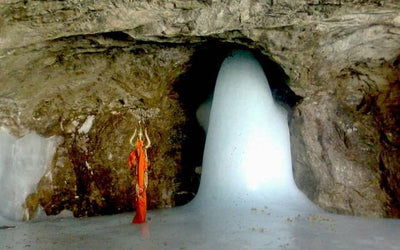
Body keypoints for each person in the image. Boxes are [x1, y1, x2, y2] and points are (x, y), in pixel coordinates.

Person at [128, 124, 151, 223]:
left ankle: (142, 216)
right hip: (139, 173)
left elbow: (148, 144)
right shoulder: (137, 150)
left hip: (142, 173)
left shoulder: (143, 149)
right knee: (140, 194)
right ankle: (140, 215)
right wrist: (138, 133)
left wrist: (145, 133)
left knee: (142, 192)